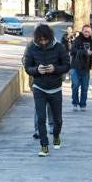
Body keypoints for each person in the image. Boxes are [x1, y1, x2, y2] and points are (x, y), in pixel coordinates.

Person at [22, 24, 70, 157]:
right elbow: (27, 67)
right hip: (39, 87)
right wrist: (36, 70)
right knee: (41, 118)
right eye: (40, 40)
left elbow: (67, 65)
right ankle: (44, 145)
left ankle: (56, 135)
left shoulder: (59, 47)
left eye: (45, 40)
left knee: (57, 119)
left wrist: (55, 69)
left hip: (55, 88)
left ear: (50, 37)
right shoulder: (32, 47)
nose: (43, 42)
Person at [69, 24, 92, 111]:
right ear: (82, 31)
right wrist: (84, 52)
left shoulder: (91, 41)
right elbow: (72, 51)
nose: (87, 33)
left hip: (86, 67)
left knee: (85, 87)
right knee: (75, 85)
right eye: (85, 31)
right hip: (75, 67)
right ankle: (75, 103)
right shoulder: (77, 40)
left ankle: (83, 104)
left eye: (89, 31)